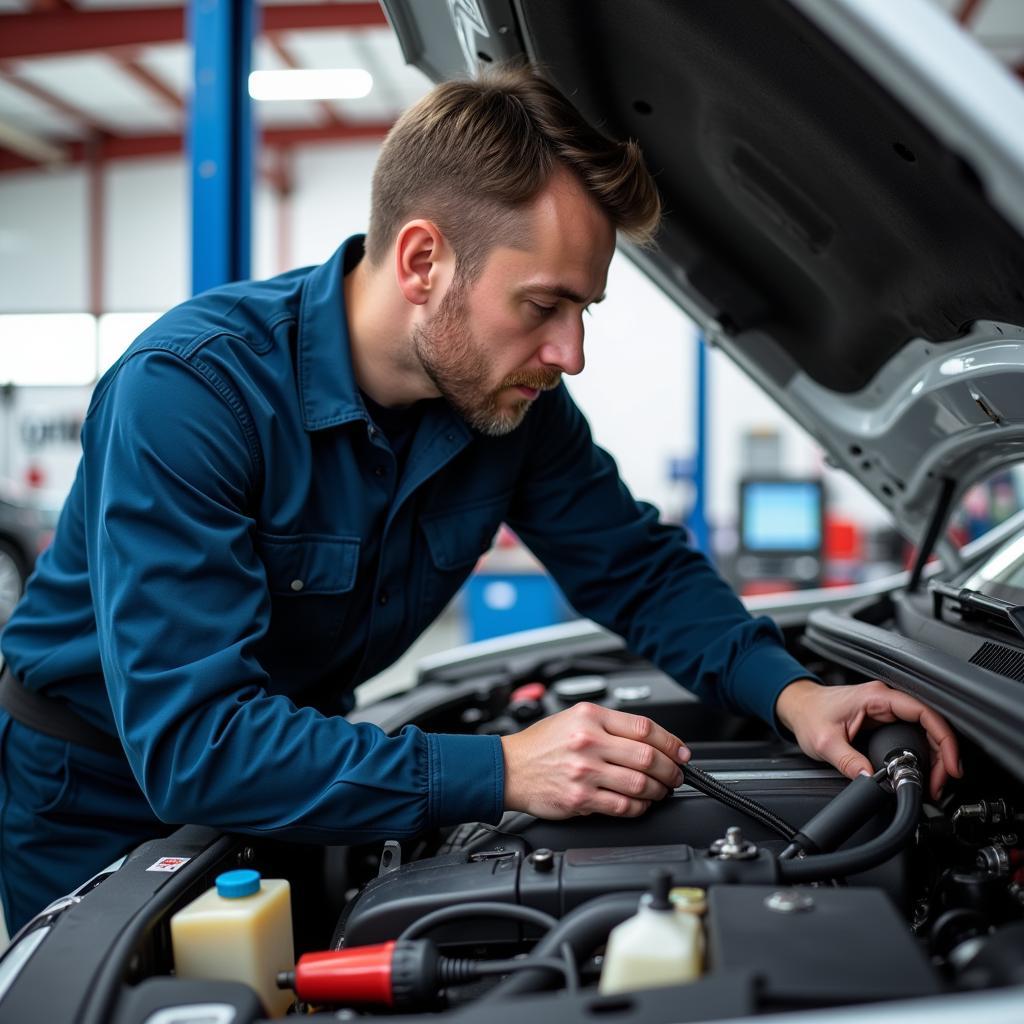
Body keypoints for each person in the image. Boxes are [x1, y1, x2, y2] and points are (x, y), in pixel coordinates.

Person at [0, 66, 960, 934]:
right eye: (543, 306)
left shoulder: (513, 406)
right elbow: (196, 742)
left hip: (300, 774)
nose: (569, 353)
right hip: (98, 804)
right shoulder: (195, 393)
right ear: (423, 262)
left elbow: (634, 568)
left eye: (583, 311)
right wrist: (502, 770)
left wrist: (791, 694)